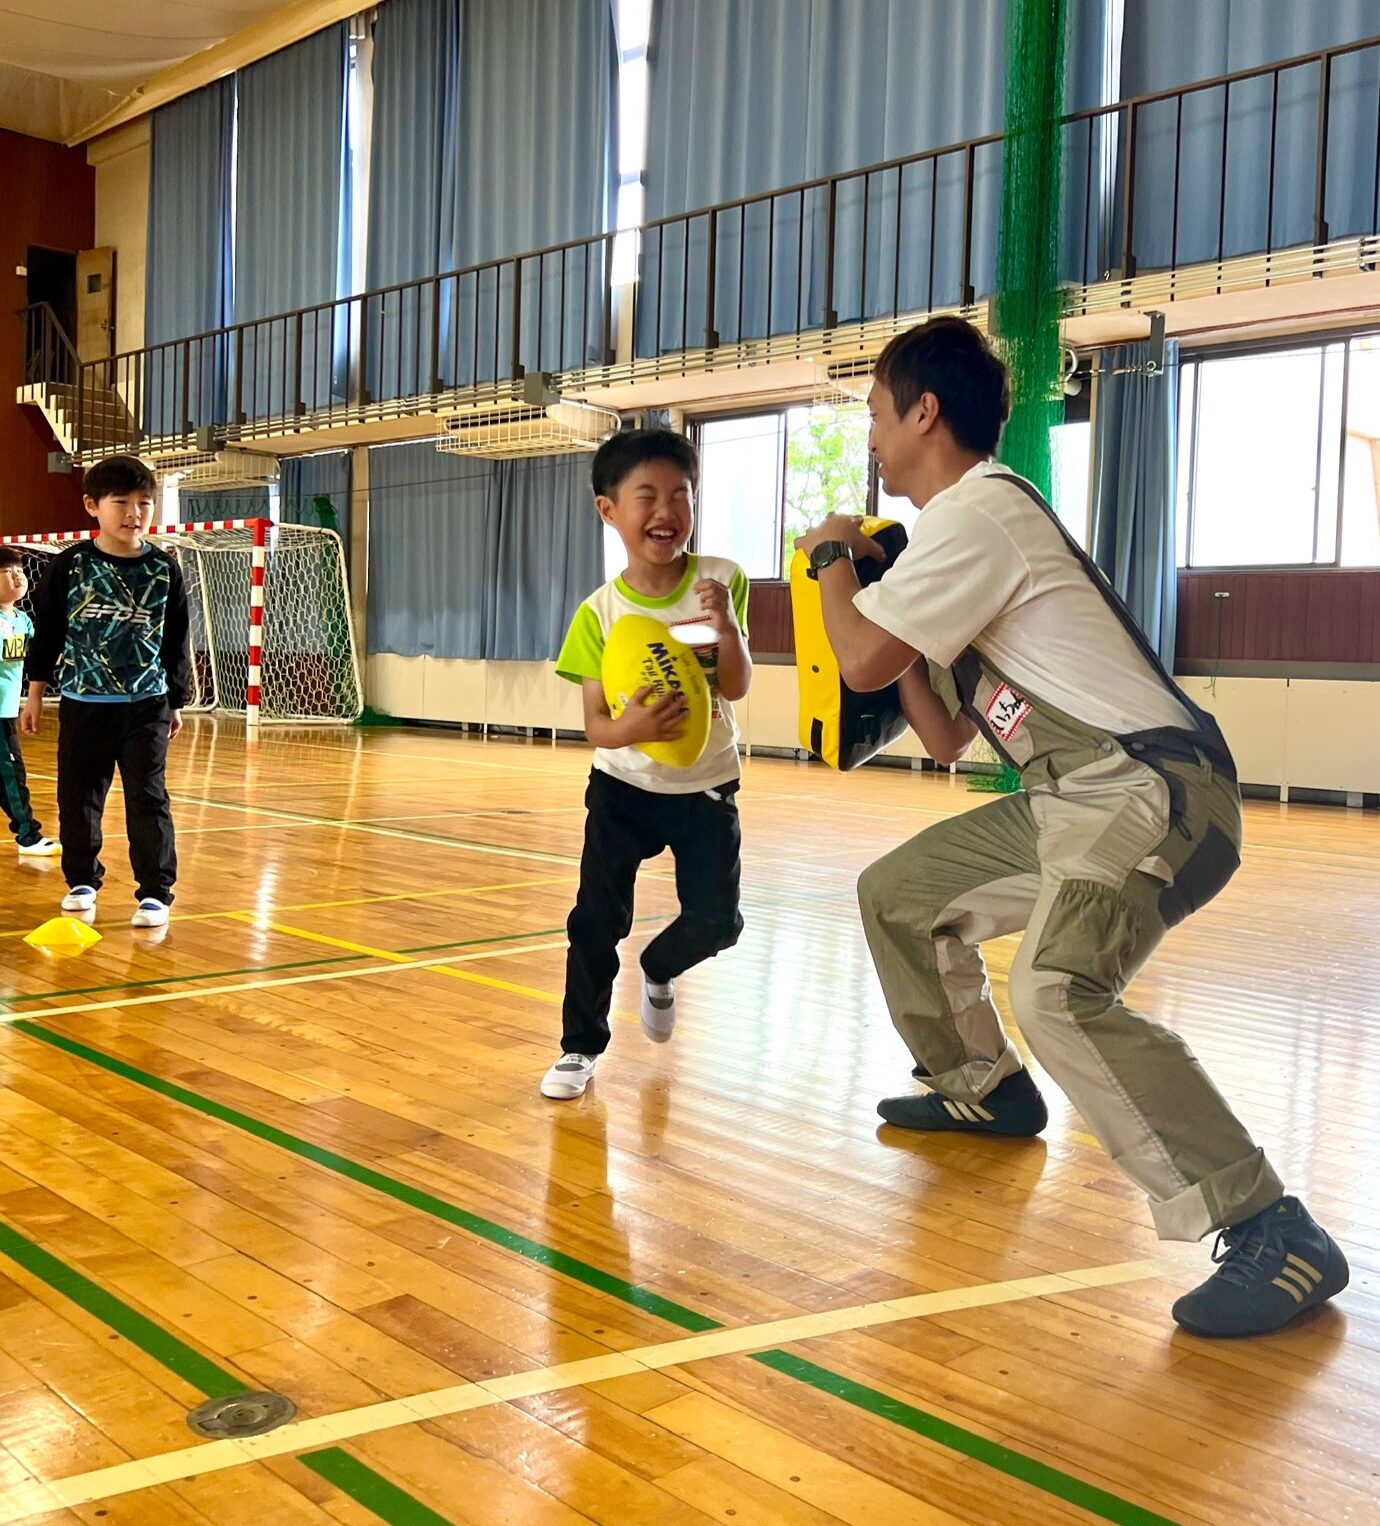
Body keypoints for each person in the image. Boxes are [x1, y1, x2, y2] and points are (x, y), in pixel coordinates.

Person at [794, 316, 1347, 1339]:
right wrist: (887, 605)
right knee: (898, 894)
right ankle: (984, 1087)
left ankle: (1271, 1226)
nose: (869, 439)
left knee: (1055, 989)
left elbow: (859, 658)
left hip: (1151, 785)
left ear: (925, 412)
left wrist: (832, 556)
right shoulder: (952, 541)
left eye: (874, 415)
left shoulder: (981, 510)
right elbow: (946, 736)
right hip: (1067, 792)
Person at [542, 428, 752, 1100]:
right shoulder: (598, 615)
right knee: (595, 921)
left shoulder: (721, 582)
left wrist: (729, 630)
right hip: (623, 789)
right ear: (609, 510)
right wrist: (630, 729)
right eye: (647, 496)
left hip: (706, 784)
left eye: (680, 495)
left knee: (719, 922)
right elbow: (596, 727)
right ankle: (579, 1047)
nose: (667, 511)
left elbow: (734, 685)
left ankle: (659, 968)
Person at [21, 454, 191, 929]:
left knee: (148, 798)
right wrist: (34, 694)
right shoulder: (71, 565)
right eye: (121, 502)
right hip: (83, 703)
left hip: (147, 706)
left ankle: (155, 892)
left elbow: (176, 640)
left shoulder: (164, 569)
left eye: (144, 503)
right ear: (92, 505)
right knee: (78, 798)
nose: (134, 513)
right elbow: (48, 632)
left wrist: (176, 701)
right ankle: (81, 880)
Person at [0, 547, 59, 858]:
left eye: (20, 570)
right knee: (12, 774)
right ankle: (28, 835)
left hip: (7, 710)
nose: (17, 576)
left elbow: (41, 653)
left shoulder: (22, 620)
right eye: (7, 572)